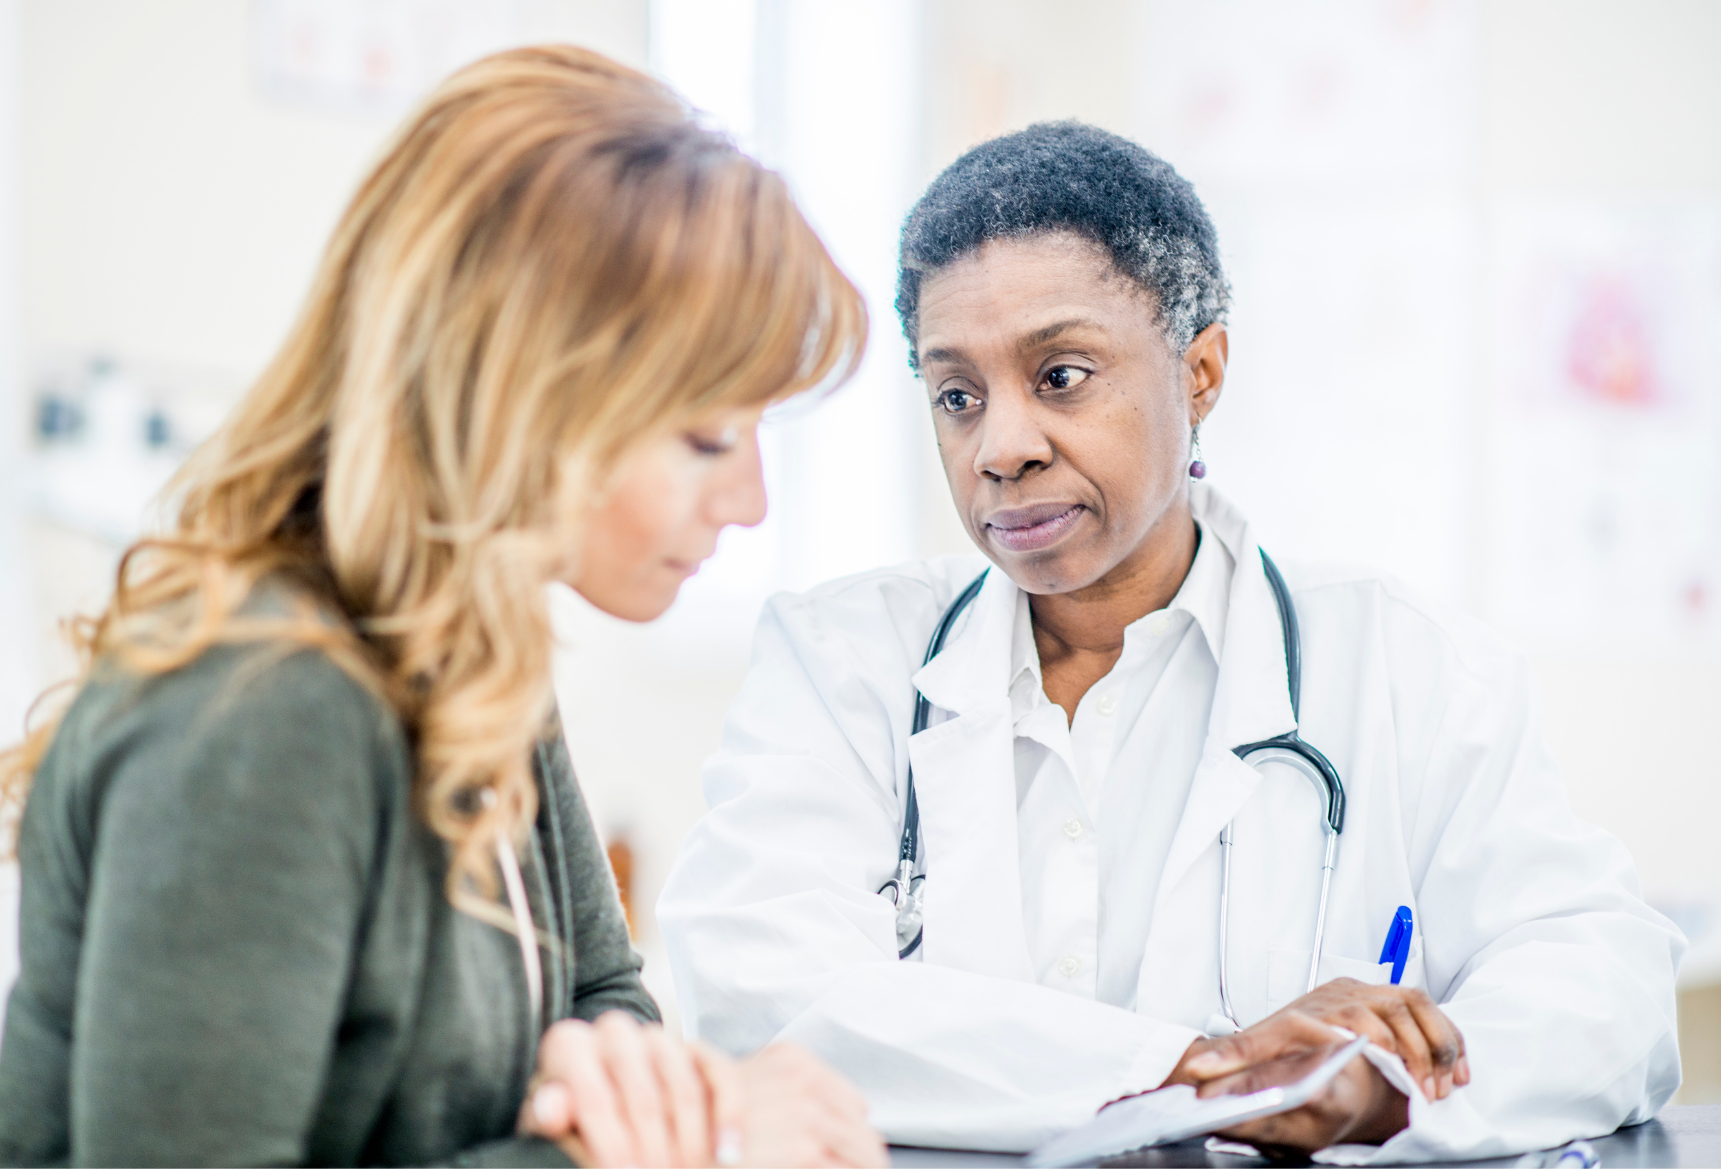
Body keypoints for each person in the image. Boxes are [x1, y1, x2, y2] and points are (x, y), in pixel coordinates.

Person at [657, 121, 1684, 1162]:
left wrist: (1378, 1095)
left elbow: (1607, 987)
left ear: (1200, 372)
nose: (1000, 448)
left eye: (1061, 376)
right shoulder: (842, 661)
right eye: (957, 396)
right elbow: (761, 995)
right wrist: (1208, 1074)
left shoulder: (1407, 668)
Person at [0, 46, 885, 1169]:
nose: (750, 501)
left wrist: (637, 1106)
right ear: (519, 394)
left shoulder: (474, 655)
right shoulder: (262, 707)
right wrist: (683, 1139)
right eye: (708, 438)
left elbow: (600, 995)